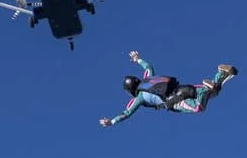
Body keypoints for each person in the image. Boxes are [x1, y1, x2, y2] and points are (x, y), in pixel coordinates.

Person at [101, 52, 237, 126]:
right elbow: (148, 67)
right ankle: (221, 73)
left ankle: (205, 89)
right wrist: (138, 59)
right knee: (214, 93)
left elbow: (126, 113)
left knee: (198, 107)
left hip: (174, 100)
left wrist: (111, 121)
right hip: (182, 88)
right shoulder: (147, 78)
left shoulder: (139, 97)